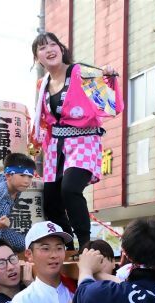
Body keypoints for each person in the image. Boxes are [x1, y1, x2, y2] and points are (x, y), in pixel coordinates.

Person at [31, 32, 123, 249]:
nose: (50, 50)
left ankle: (85, 243)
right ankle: (68, 246)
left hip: (83, 141)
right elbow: (44, 119)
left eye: (53, 44)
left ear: (62, 49)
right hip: (55, 147)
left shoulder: (79, 72)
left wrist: (108, 76)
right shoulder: (42, 84)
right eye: (43, 48)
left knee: (70, 189)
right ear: (37, 58)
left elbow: (107, 94)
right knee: (52, 201)